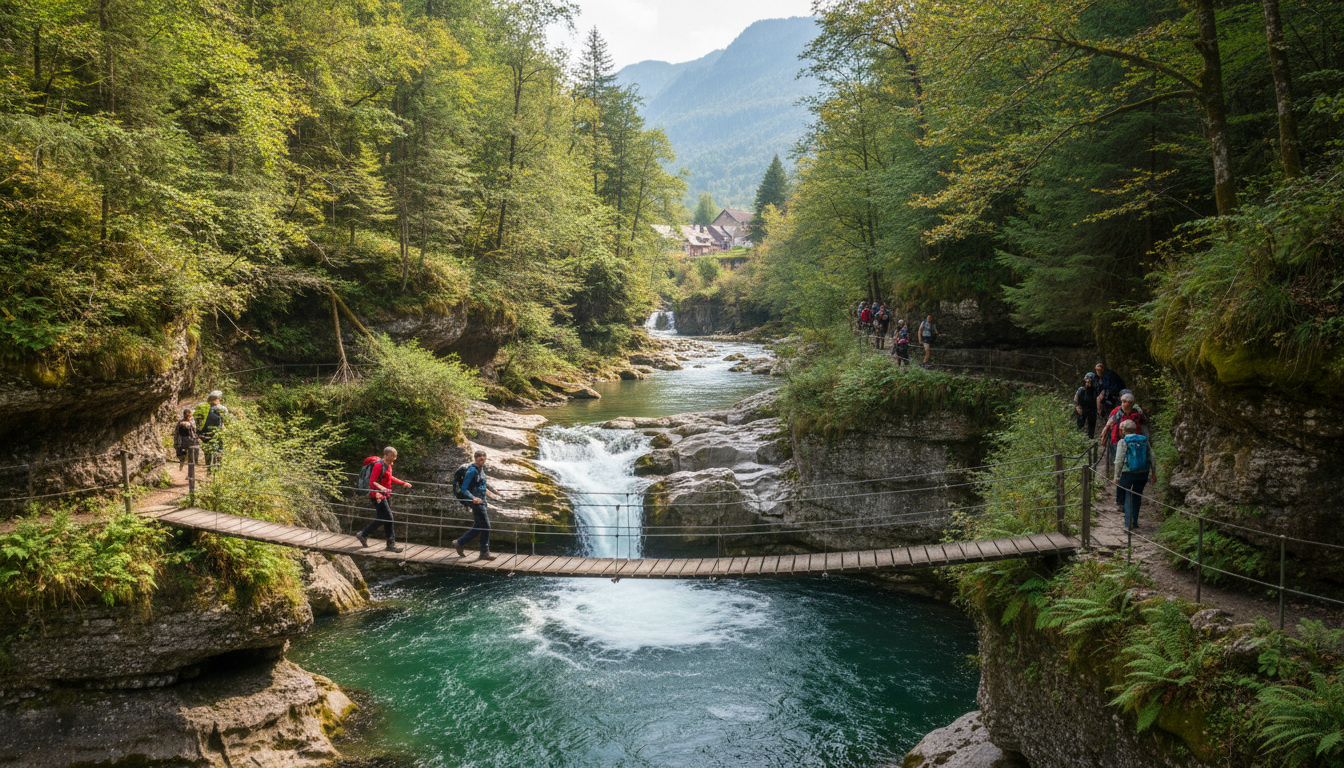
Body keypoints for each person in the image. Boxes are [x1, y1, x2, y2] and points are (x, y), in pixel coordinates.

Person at [356, 447, 410, 552]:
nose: (394, 458)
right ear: (386, 455)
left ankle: (364, 534)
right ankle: (388, 544)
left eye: (395, 456)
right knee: (388, 517)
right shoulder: (378, 465)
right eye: (392, 456)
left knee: (384, 518)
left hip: (385, 495)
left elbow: (390, 477)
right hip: (377, 495)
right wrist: (377, 493)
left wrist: (403, 483)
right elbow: (372, 482)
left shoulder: (388, 466)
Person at [454, 449, 503, 560]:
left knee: (478, 527)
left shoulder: (480, 469)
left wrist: (493, 490)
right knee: (486, 526)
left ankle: (459, 542)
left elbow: (482, 482)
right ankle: (484, 553)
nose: (482, 461)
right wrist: (473, 498)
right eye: (480, 459)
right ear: (475, 459)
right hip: (477, 503)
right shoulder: (472, 471)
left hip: (483, 501)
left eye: (484, 459)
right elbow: (464, 489)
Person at [1113, 419, 1157, 530]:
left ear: (1122, 430)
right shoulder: (1143, 439)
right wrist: (1153, 473)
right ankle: (1135, 521)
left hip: (1127, 473)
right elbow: (1152, 456)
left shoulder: (1123, 442)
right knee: (1137, 495)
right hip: (1143, 472)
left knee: (1128, 494)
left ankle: (1128, 524)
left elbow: (1119, 460)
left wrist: (1117, 476)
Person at [1103, 392, 1148, 474]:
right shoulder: (1116, 411)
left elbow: (1144, 424)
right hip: (1117, 439)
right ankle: (1119, 473)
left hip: (1135, 439)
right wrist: (1104, 437)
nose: (1122, 404)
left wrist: (1145, 439)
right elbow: (1108, 424)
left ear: (1131, 403)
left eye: (1125, 402)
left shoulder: (1138, 412)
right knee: (1118, 457)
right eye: (1122, 401)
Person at [194, 391, 231, 472]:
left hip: (204, 434)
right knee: (219, 450)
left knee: (208, 450)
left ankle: (209, 467)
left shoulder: (203, 408)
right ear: (216, 400)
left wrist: (199, 433)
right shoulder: (221, 409)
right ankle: (218, 467)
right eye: (217, 400)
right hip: (217, 433)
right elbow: (226, 420)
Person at [1074, 373, 1099, 439]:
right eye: (1087, 380)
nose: (1088, 382)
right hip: (1083, 409)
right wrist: (1077, 406)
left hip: (1093, 410)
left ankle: (1090, 438)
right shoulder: (1082, 389)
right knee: (1080, 425)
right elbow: (1076, 399)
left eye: (1090, 381)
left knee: (1091, 426)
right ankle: (1078, 438)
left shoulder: (1096, 390)